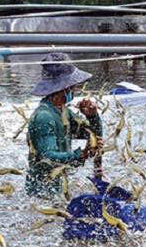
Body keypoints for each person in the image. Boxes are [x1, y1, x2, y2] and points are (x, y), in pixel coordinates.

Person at [25, 54, 104, 198]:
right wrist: (80, 155)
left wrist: (92, 116)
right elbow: (47, 156)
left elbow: (93, 134)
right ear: (64, 88)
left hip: (60, 186)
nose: (75, 90)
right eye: (73, 86)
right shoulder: (44, 117)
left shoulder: (64, 112)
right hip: (42, 191)